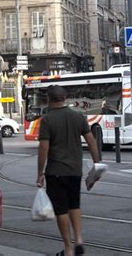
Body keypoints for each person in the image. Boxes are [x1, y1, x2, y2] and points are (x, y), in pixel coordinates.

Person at [36, 85, 101, 256]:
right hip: (75, 171)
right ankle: (79, 239)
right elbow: (92, 141)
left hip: (56, 171)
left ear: (49, 99)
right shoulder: (78, 116)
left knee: (61, 210)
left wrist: (40, 172)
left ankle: (68, 248)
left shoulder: (47, 120)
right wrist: (97, 165)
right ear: (65, 99)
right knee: (74, 204)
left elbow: (43, 148)